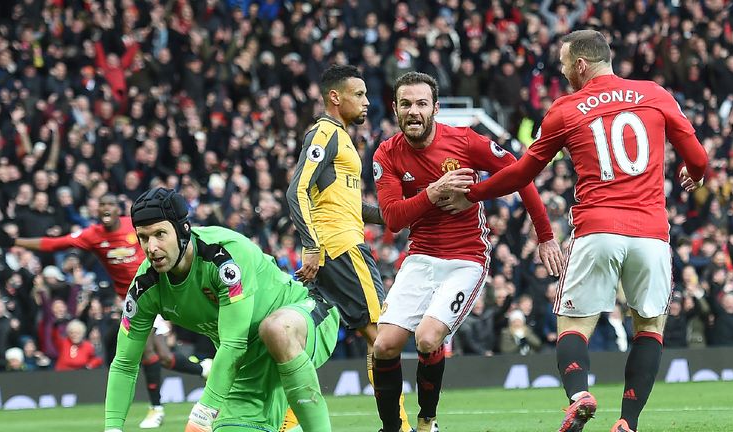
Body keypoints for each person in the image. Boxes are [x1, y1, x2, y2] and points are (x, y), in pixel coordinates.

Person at [438, 30, 708, 432]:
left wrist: (473, 193)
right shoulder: (655, 93)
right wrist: (694, 173)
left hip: (597, 229)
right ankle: (627, 423)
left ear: (581, 64)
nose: (563, 71)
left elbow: (521, 173)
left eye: (564, 63)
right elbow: (699, 159)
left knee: (574, 326)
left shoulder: (566, 109)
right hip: (651, 233)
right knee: (649, 328)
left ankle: (580, 395)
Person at [371, 71, 563, 432]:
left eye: (422, 104)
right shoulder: (387, 153)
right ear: (395, 109)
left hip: (465, 259)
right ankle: (391, 429)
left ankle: (427, 422)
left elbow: (521, 173)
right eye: (406, 104)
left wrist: (545, 235)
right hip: (420, 257)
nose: (414, 111)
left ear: (436, 108)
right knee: (384, 346)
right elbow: (393, 218)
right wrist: (434, 191)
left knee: (427, 338)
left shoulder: (464, 142)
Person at [104, 187, 339, 432]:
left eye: (160, 234)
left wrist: (204, 412)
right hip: (246, 364)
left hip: (306, 316)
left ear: (183, 230)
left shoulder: (223, 255)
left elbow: (234, 343)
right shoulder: (144, 287)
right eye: (143, 237)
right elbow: (124, 363)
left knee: (276, 329)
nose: (151, 247)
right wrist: (112, 428)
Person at [0, 193, 209, 428]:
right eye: (101, 205)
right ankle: (203, 369)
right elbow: (55, 243)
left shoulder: (135, 226)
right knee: (164, 358)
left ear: (117, 208)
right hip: (134, 299)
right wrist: (14, 242)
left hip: (157, 290)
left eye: (110, 204)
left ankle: (156, 409)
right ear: (97, 210)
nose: (105, 208)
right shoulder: (93, 235)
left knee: (148, 353)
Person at [287, 64, 413, 431]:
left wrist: (394, 215)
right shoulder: (325, 134)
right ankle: (401, 426)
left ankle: (285, 422)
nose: (367, 102)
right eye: (359, 94)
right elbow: (297, 189)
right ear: (335, 97)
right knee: (382, 338)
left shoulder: (340, 139)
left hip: (333, 249)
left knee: (306, 343)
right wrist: (311, 246)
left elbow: (348, 205)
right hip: (341, 249)